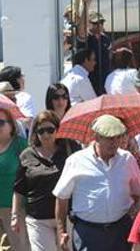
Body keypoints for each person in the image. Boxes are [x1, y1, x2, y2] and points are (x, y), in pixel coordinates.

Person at [54, 115, 140, 251]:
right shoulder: (76, 161)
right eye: (109, 138)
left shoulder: (127, 159)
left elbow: (139, 192)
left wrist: (134, 212)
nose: (114, 142)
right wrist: (62, 231)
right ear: (96, 137)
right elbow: (62, 197)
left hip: (121, 230)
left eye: (118, 137)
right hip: (88, 232)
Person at [13, 111, 79, 251]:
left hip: (67, 216)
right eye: (41, 131)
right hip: (38, 218)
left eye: (50, 129)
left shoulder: (70, 149)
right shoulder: (27, 155)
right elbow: (19, 189)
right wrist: (15, 216)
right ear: (36, 133)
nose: (46, 134)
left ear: (57, 129)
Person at [0, 107, 28, 249]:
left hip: (16, 210)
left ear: (11, 125)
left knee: (20, 247)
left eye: (0, 122)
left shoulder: (20, 145)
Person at [75, 0, 112, 94]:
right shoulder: (86, 38)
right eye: (95, 23)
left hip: (105, 81)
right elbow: (81, 30)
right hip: (90, 81)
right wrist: (86, 6)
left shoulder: (106, 39)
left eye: (101, 22)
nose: (99, 25)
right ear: (89, 24)